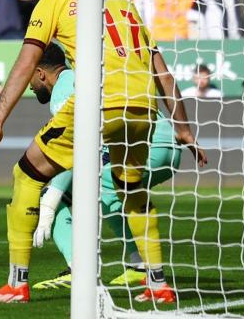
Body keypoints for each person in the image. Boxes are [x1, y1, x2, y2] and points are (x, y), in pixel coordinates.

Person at [0, 0, 207, 304]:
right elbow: (161, 72)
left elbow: (25, 64)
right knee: (131, 188)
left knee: (27, 174)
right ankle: (158, 283)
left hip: (98, 102)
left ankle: (16, 284)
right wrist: (182, 126)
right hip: (144, 105)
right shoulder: (124, 2)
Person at [28, 44, 185, 291]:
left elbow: (75, 148)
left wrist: (50, 200)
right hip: (164, 144)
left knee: (64, 197)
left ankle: (78, 271)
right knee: (109, 196)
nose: (29, 86)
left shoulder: (64, 88)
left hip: (145, 144)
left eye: (30, 78)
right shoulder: (79, 78)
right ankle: (139, 265)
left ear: (40, 73)